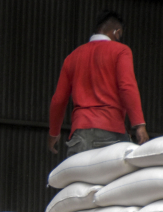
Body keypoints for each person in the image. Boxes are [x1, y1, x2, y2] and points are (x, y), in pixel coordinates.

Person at [48, 9, 148, 157]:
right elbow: (127, 87)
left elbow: (58, 100)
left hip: (80, 136)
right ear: (116, 32)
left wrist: (54, 132)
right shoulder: (121, 51)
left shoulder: (72, 57)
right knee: (116, 179)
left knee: (78, 180)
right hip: (111, 133)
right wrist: (139, 125)